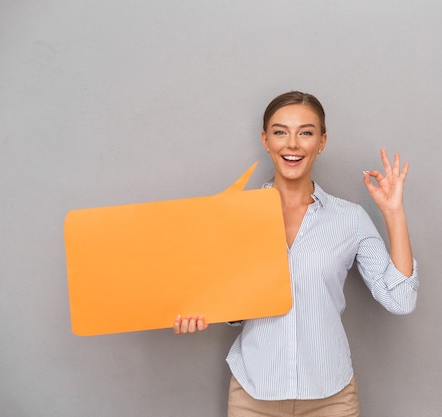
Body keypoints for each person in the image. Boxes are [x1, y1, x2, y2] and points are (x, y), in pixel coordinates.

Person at [173, 91, 419, 417]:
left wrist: (393, 213)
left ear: (321, 142)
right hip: (254, 395)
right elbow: (232, 307)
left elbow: (401, 301)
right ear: (265, 140)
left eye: (305, 132)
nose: (292, 143)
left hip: (332, 397)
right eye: (279, 132)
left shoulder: (350, 219)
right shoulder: (235, 217)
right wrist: (197, 312)